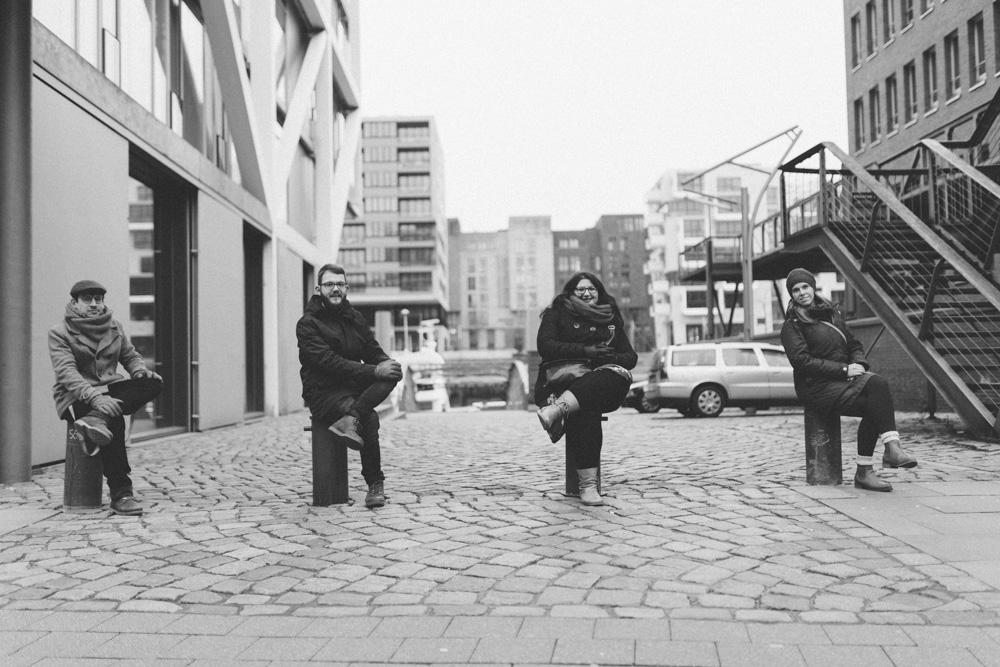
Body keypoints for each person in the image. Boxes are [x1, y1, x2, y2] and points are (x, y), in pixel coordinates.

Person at [780, 268, 917, 492]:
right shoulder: (793, 325)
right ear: (791, 295)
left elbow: (854, 345)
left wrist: (860, 364)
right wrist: (844, 369)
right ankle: (886, 455)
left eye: (805, 286)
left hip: (841, 382)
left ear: (813, 287)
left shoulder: (833, 315)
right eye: (795, 290)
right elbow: (802, 362)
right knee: (878, 392)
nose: (802, 292)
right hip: (816, 388)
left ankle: (872, 465)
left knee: (877, 397)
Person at [48, 280, 163, 516]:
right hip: (75, 398)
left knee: (153, 382)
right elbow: (67, 374)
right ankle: (121, 493)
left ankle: (98, 418)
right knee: (114, 418)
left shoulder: (115, 327)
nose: (93, 304)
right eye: (87, 299)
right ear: (75, 303)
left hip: (109, 393)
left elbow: (131, 356)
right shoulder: (59, 333)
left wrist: (139, 371)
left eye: (98, 299)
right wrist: (96, 399)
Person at [296, 264, 402, 508]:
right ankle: (375, 483)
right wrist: (374, 370)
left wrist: (387, 363)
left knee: (392, 372)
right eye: (329, 284)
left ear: (346, 287)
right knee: (370, 418)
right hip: (323, 392)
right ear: (318, 289)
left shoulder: (355, 318)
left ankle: (351, 417)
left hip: (352, 389)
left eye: (340, 284)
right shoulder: (308, 324)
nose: (335, 289)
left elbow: (372, 351)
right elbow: (329, 363)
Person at [535, 272, 638, 506]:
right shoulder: (556, 313)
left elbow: (630, 357)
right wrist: (585, 351)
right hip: (563, 381)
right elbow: (545, 346)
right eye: (580, 289)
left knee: (606, 379)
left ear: (599, 291)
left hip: (605, 383)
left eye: (591, 289)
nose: (586, 293)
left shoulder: (610, 315)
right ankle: (588, 487)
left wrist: (610, 355)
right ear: (570, 292)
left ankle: (557, 410)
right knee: (586, 409)